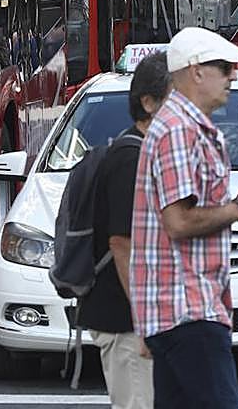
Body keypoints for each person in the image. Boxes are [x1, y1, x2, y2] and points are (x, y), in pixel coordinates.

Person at [130, 27, 238, 409]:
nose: (234, 76)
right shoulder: (179, 131)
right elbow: (179, 222)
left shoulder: (184, 128)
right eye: (224, 68)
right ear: (195, 71)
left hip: (183, 308)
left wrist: (229, 204)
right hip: (188, 309)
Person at [77, 51, 171, 409]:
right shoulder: (130, 160)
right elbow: (122, 243)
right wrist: (145, 318)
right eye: (175, 100)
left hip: (136, 316)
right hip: (124, 319)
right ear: (148, 103)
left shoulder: (148, 152)